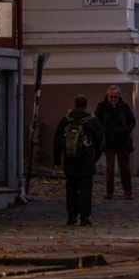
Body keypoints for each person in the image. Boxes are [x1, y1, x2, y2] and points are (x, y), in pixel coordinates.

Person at [52, 94, 104, 226]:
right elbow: (100, 141)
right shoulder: (92, 120)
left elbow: (58, 140)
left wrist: (57, 159)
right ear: (85, 105)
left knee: (71, 188)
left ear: (75, 104)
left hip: (70, 160)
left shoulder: (66, 120)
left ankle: (72, 216)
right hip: (86, 160)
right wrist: (95, 157)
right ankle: (85, 217)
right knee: (86, 189)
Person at [95, 84, 136, 200]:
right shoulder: (102, 107)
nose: (113, 100)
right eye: (111, 97)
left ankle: (128, 191)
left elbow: (132, 120)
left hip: (123, 141)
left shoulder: (124, 107)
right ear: (107, 96)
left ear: (119, 96)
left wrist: (128, 130)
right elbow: (97, 121)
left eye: (115, 97)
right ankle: (109, 191)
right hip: (109, 141)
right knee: (110, 168)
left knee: (125, 168)